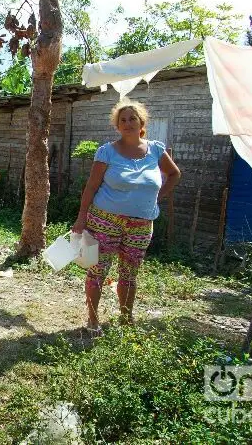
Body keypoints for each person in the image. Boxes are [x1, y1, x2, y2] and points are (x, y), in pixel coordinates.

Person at [72, 99, 181, 334]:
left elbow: (174, 174)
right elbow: (90, 187)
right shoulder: (107, 152)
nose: (128, 123)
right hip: (104, 221)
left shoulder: (156, 150)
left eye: (132, 118)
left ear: (142, 122)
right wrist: (81, 218)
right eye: (123, 120)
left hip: (141, 224)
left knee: (129, 273)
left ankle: (126, 318)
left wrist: (156, 198)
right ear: (117, 126)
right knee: (98, 270)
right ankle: (92, 320)